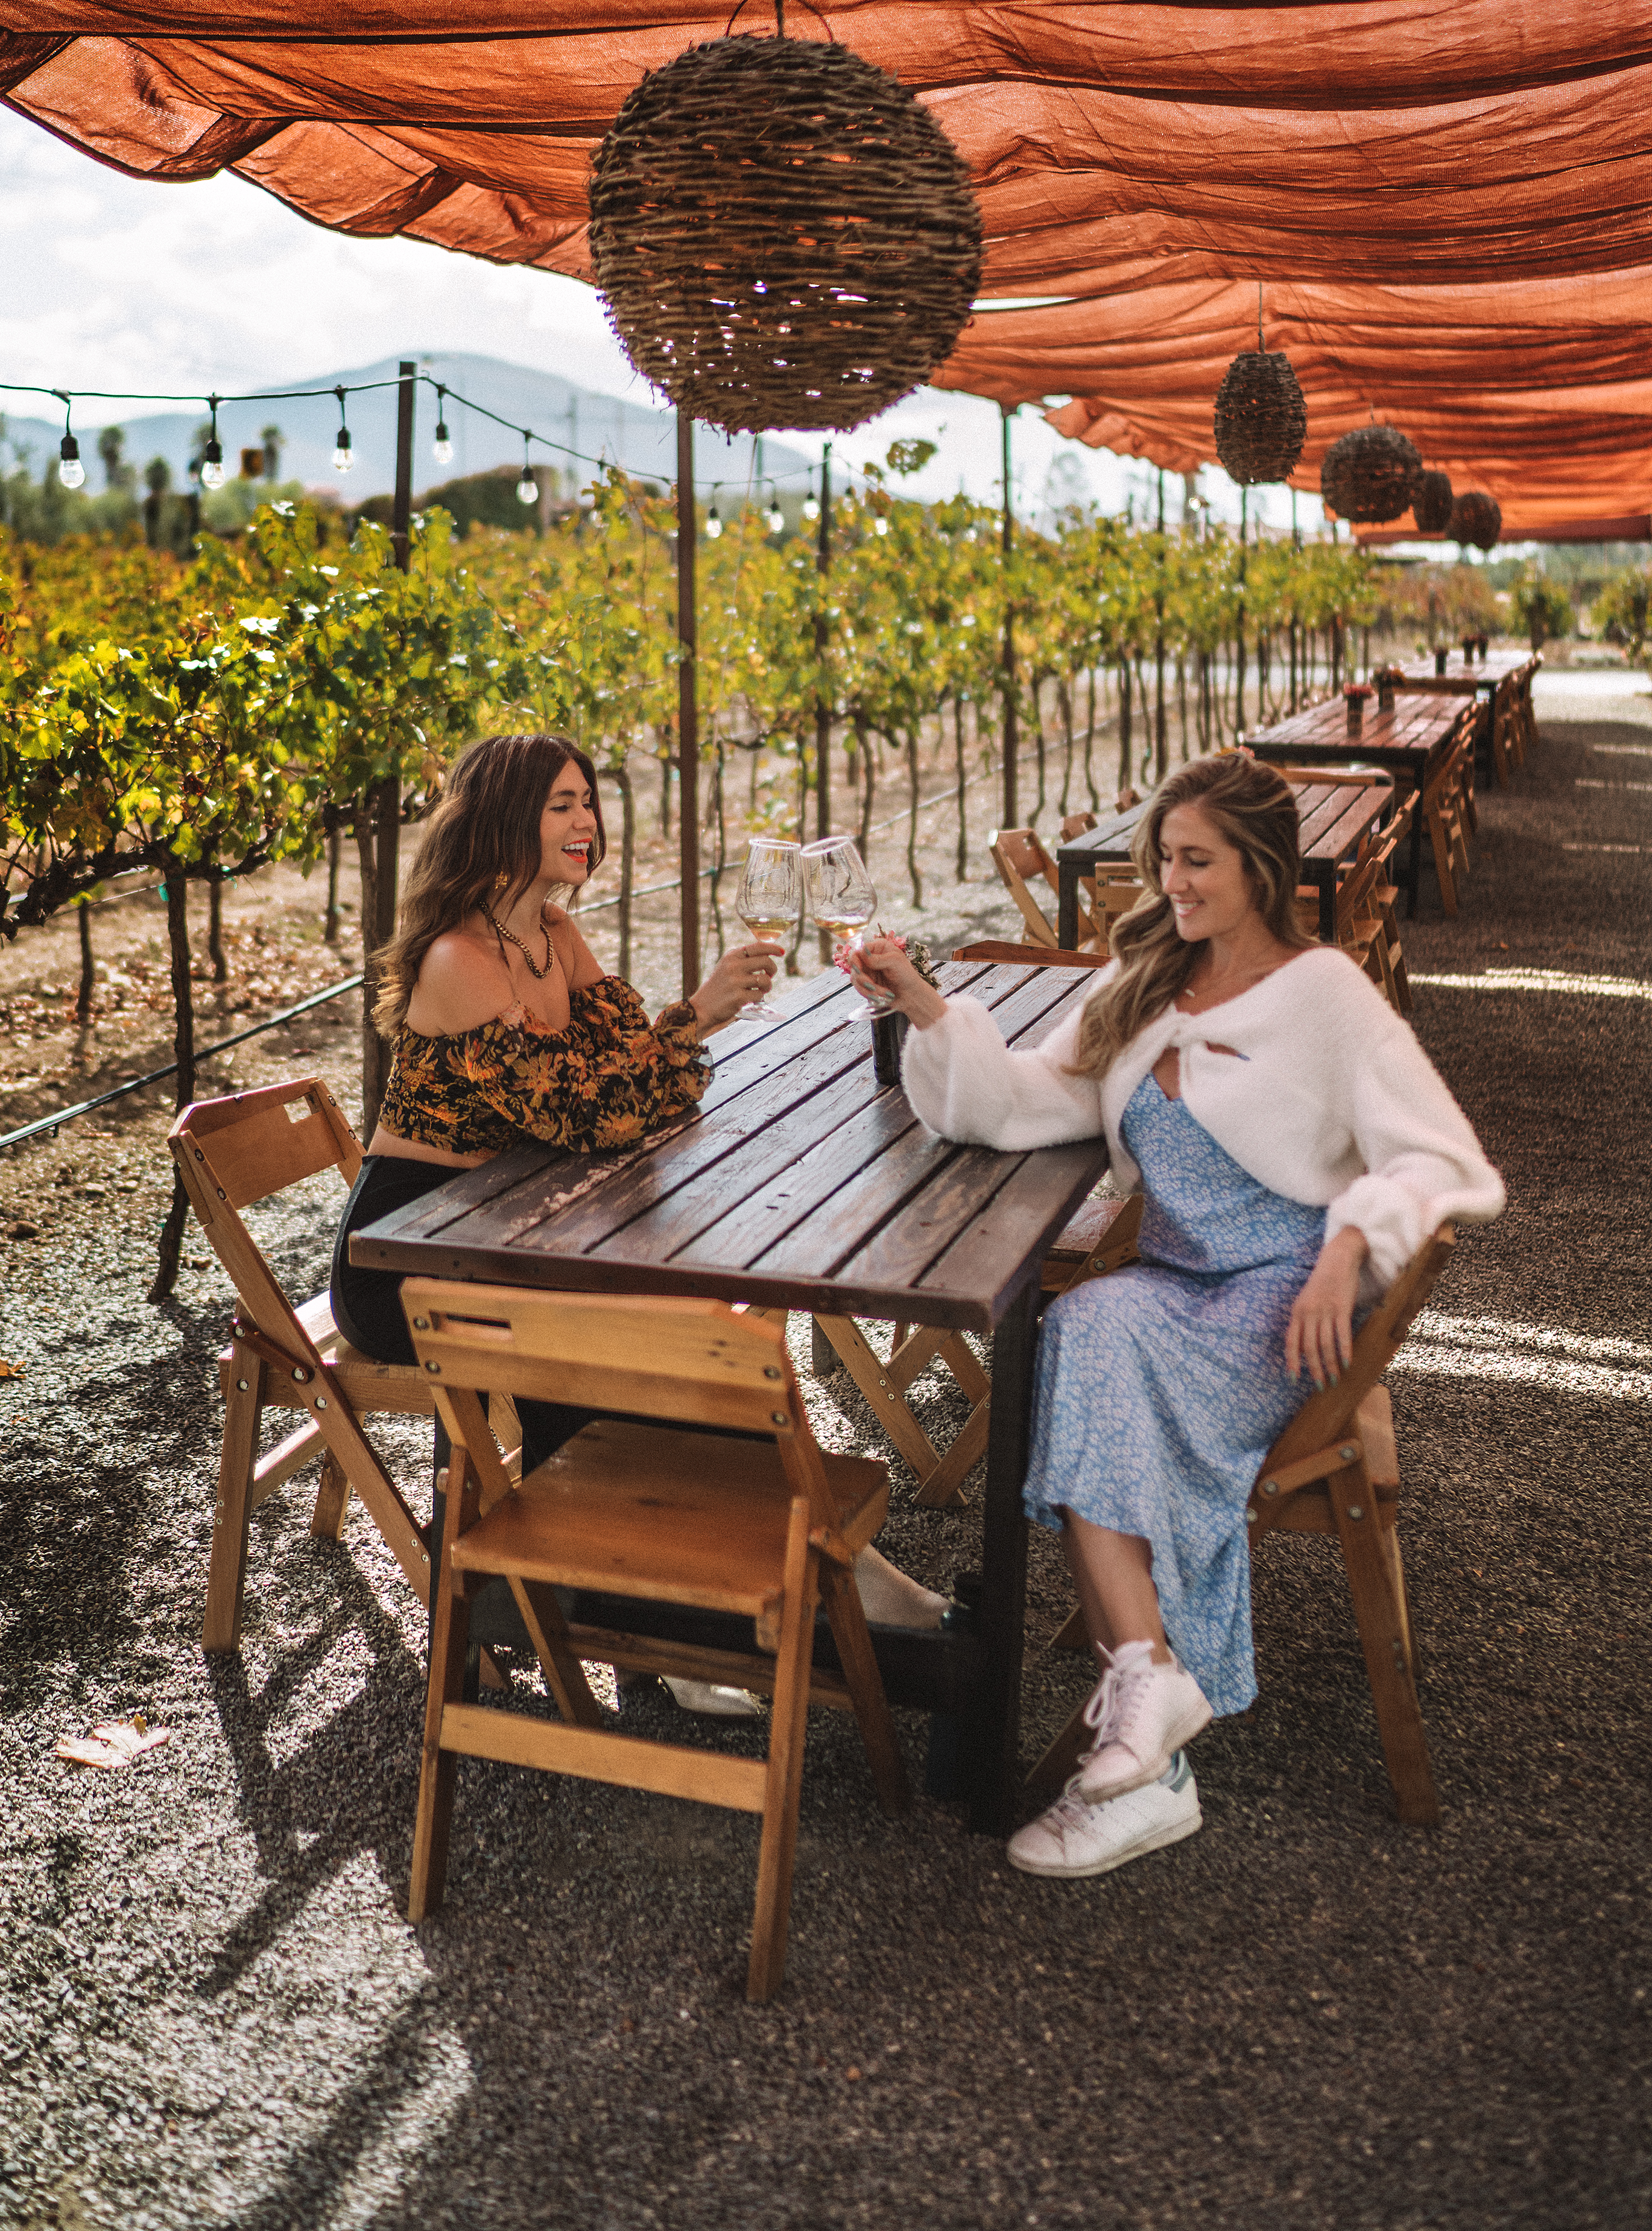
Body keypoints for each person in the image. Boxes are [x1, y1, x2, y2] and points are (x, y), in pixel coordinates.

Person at [852, 749, 1504, 1878]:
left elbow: (1442, 1158)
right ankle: (1145, 1721)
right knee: (1085, 1328)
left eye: (1196, 861)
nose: (1173, 883)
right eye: (1164, 859)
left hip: (1283, 1302)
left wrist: (1348, 1239)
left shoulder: (1324, 996)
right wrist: (925, 1009)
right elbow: (1027, 1100)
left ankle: (1140, 1735)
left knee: (1090, 1334)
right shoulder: (1149, 981)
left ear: (1261, 866)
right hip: (1171, 1286)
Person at [331, 733, 945, 1715]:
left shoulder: (552, 932)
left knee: (674, 1328)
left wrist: (684, 1030)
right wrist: (689, 1021)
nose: (586, 823)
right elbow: (594, 1111)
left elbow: (628, 1076)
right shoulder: (458, 957)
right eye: (561, 805)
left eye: (588, 803)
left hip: (524, 1227)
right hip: (414, 1255)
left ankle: (803, 1566)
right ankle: (674, 1623)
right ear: (503, 819)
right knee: (613, 1342)